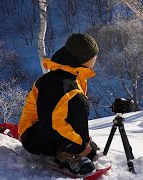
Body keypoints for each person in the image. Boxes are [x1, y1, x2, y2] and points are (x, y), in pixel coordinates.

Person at [18, 33, 100, 174]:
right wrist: (79, 144)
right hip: (33, 136)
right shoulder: (57, 82)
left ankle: (70, 147)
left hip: (48, 129)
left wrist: (84, 139)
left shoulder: (74, 73)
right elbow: (51, 123)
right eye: (94, 56)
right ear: (83, 59)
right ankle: (67, 155)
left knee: (90, 150)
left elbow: (67, 114)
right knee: (79, 103)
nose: (96, 58)